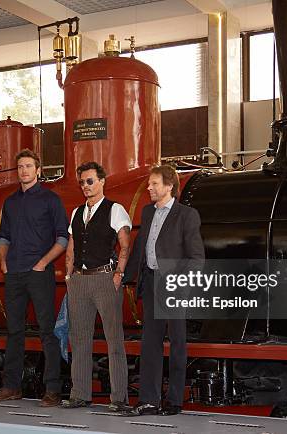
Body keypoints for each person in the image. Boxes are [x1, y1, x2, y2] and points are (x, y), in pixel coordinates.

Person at [0, 149, 68, 407]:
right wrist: (3, 260)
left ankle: (53, 390)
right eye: (20, 166)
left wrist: (43, 263)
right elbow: (4, 236)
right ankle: (12, 387)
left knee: (47, 332)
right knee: (14, 332)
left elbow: (63, 238)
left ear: (38, 170)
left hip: (39, 274)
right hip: (14, 275)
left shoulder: (50, 199)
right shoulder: (10, 202)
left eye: (28, 166)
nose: (24, 170)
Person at [124, 165, 204, 416]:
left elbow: (196, 257)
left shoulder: (186, 215)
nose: (149, 188)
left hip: (173, 284)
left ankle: (175, 400)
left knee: (178, 343)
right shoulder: (148, 212)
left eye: (154, 184)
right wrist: (122, 276)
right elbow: (141, 248)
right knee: (150, 344)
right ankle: (149, 400)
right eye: (149, 184)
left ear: (169, 186)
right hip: (151, 283)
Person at [60, 162, 132, 412]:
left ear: (102, 181)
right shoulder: (76, 212)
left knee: (114, 339)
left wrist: (119, 273)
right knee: (78, 339)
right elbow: (71, 244)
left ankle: (119, 398)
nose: (85, 186)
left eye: (90, 181)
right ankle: (79, 394)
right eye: (82, 182)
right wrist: (68, 276)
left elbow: (125, 244)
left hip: (105, 278)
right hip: (79, 281)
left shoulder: (116, 209)